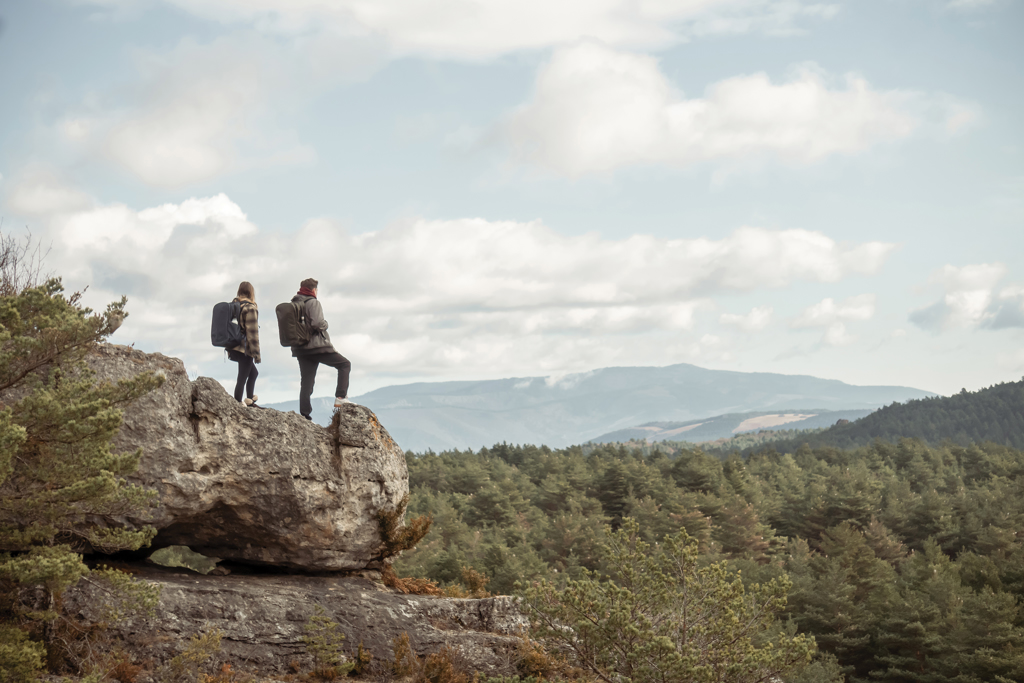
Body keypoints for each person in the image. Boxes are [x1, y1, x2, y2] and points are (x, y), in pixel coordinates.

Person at [291, 278, 352, 420]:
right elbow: (318, 324)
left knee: (306, 381)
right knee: (344, 364)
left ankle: (305, 416)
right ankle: (341, 397)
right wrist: (326, 324)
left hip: (300, 348)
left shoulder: (293, 304)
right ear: (313, 290)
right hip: (317, 346)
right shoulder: (313, 302)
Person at [228, 281, 261, 406]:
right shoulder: (250, 308)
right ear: (251, 292)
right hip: (245, 348)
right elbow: (253, 334)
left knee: (253, 373)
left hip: (232, 346)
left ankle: (249, 401)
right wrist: (256, 354)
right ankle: (238, 404)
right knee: (242, 377)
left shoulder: (233, 306)